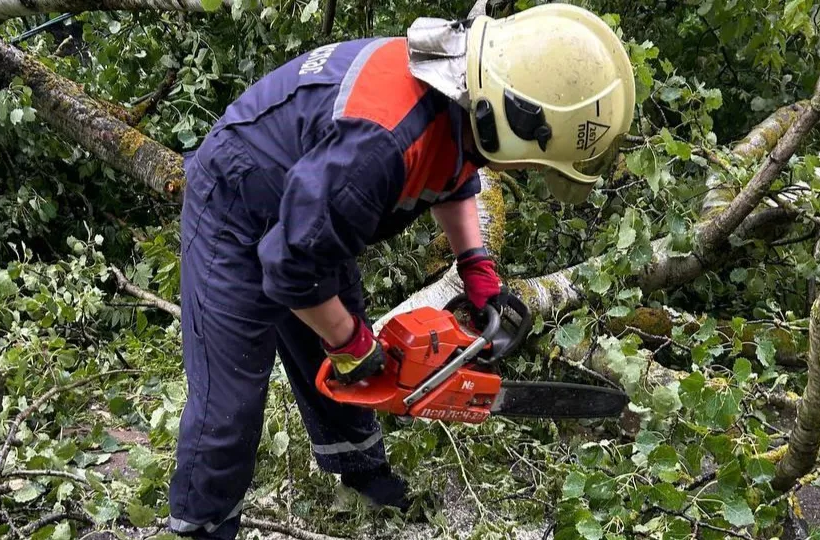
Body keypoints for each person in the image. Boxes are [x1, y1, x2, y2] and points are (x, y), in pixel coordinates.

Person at [167, 2, 635, 538]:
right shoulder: (378, 146)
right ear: (513, 119)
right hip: (235, 202)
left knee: (345, 359)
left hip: (311, 210)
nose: (526, 171)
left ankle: (361, 470)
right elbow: (290, 268)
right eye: (531, 161)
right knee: (228, 410)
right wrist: (349, 342)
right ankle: (200, 526)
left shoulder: (462, 101)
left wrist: (477, 268)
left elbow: (455, 174)